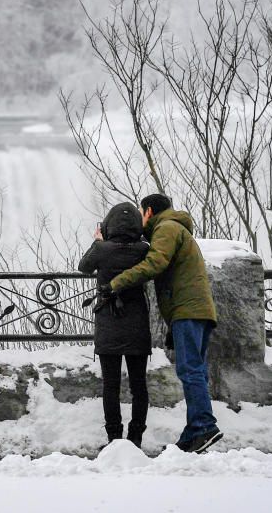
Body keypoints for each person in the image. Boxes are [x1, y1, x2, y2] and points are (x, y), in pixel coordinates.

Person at [106, 194, 223, 454]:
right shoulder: (174, 227)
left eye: (140, 212)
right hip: (194, 311)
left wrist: (116, 282)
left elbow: (155, 262)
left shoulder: (167, 228)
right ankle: (194, 432)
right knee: (196, 371)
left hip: (188, 311)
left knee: (190, 370)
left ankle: (204, 425)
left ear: (148, 211)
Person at [78, 203, 151, 449]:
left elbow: (83, 267)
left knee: (111, 386)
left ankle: (114, 439)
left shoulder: (102, 249)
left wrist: (97, 242)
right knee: (139, 385)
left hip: (109, 323)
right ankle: (136, 437)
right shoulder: (143, 249)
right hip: (137, 324)